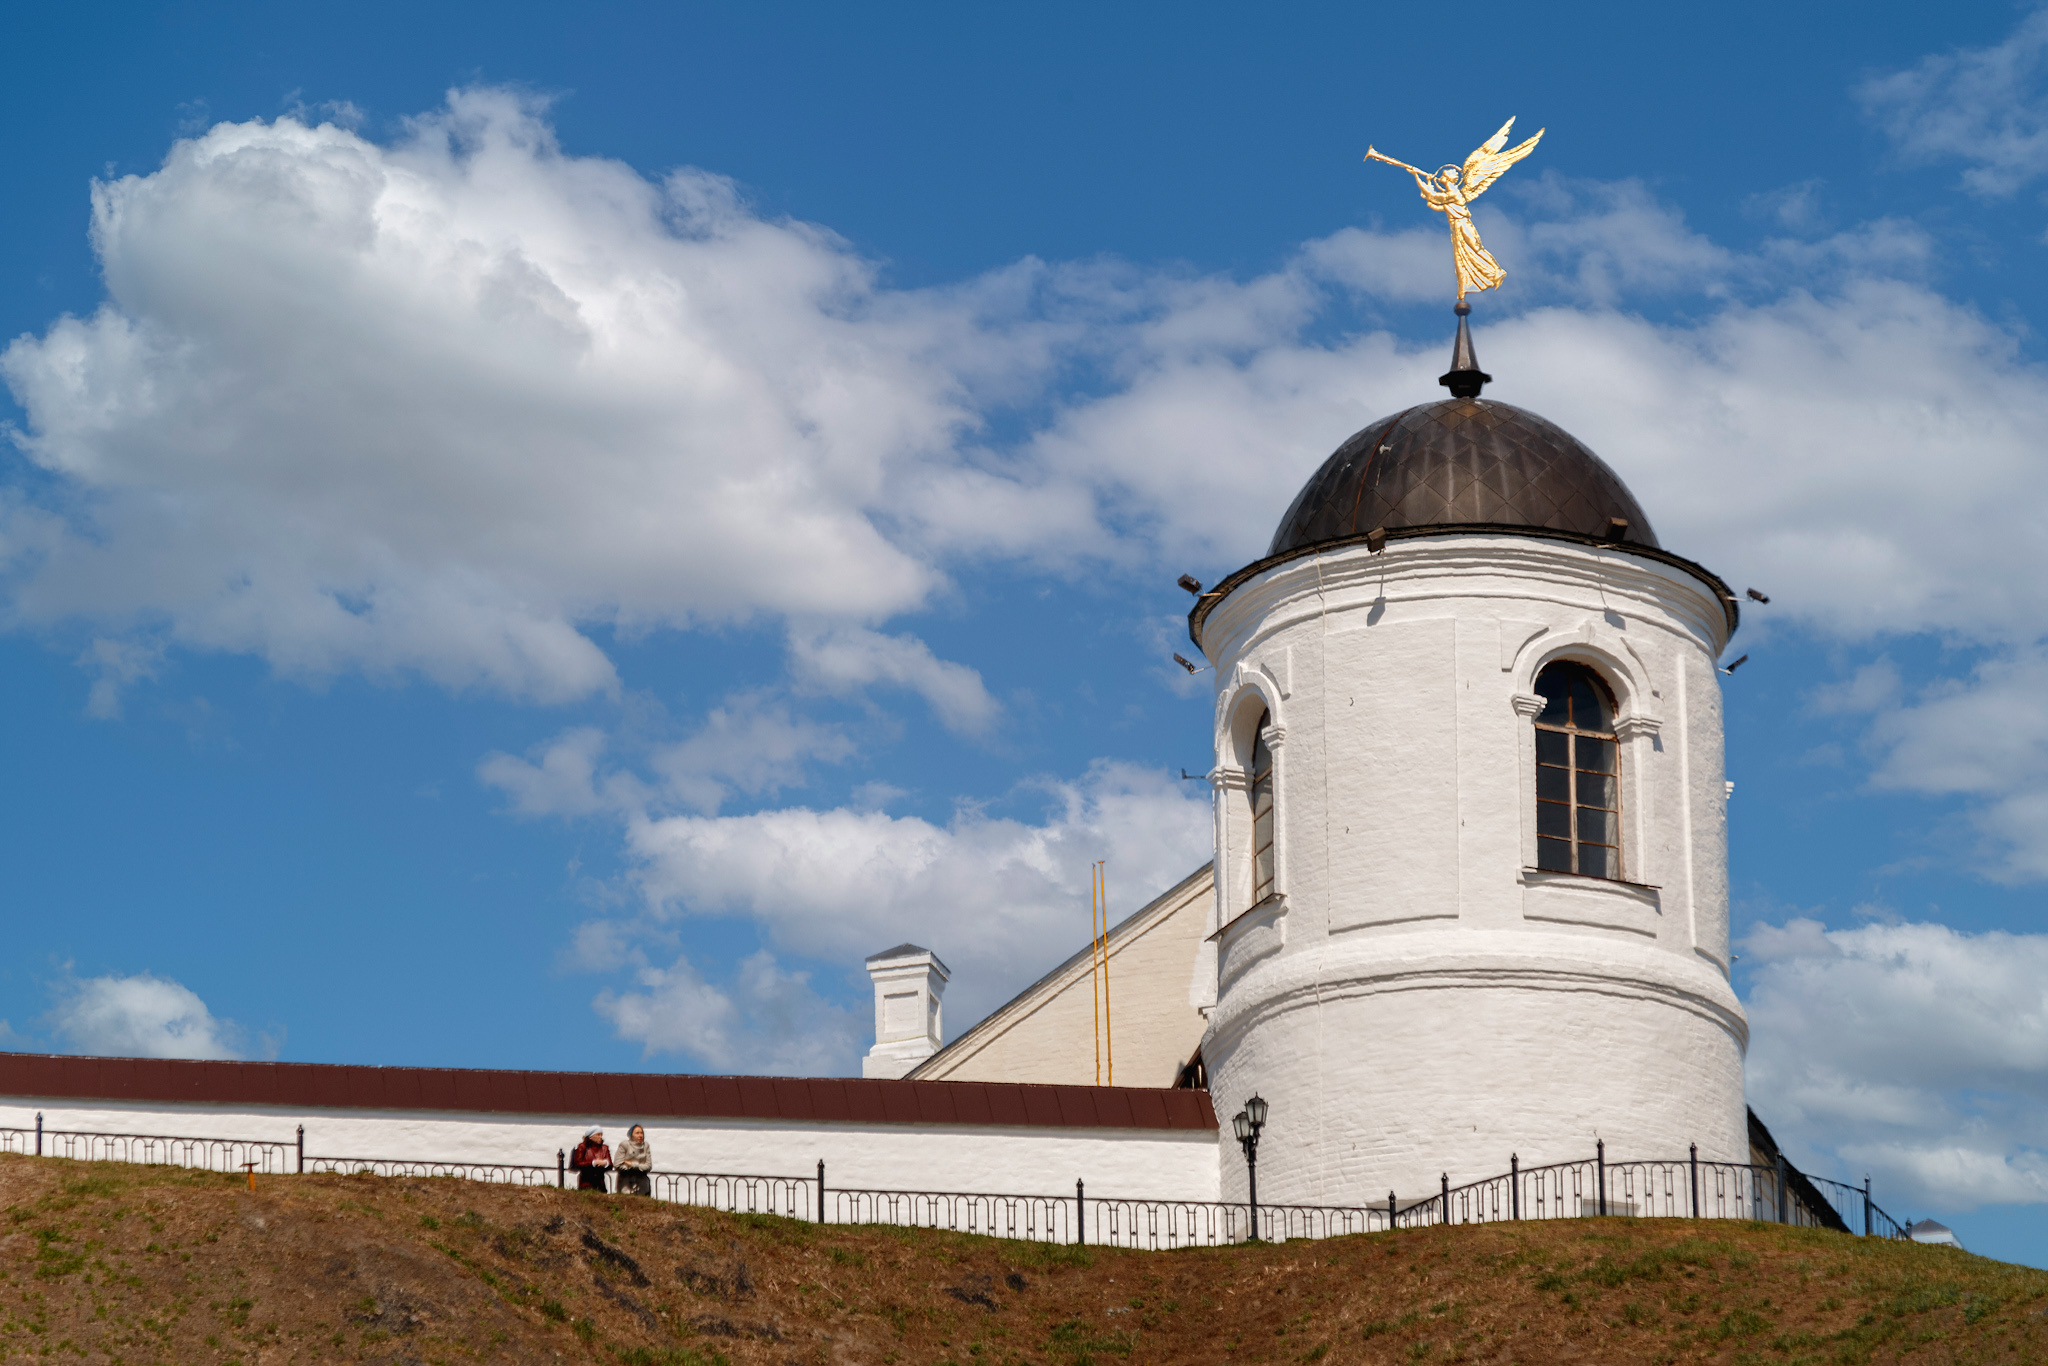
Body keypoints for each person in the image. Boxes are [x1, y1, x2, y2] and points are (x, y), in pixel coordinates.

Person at [614, 1124, 653, 1196]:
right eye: (637, 1133)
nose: (640, 1135)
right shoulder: (624, 1145)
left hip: (642, 1185)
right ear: (631, 1135)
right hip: (626, 1184)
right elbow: (617, 1164)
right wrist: (630, 1168)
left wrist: (632, 1164)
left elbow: (648, 1166)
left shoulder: (646, 1146)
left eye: (641, 1133)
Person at [569, 1126, 611, 1192]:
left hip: (600, 1183)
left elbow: (610, 1164)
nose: (600, 1137)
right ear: (591, 1136)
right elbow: (577, 1163)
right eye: (598, 1135)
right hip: (586, 1182)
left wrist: (605, 1163)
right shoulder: (582, 1147)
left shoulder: (604, 1148)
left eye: (601, 1135)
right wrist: (593, 1163)